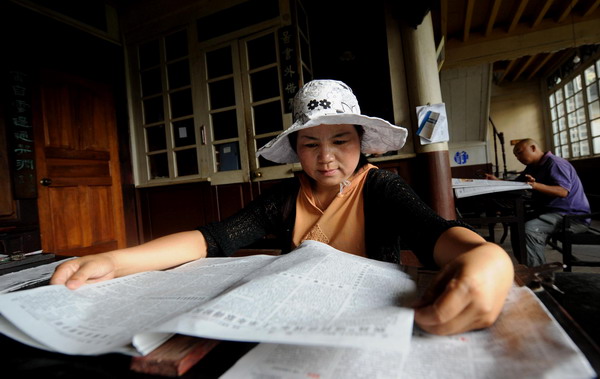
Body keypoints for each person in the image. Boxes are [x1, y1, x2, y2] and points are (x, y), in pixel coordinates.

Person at [51, 79, 514, 336]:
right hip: (295, 318)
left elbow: (437, 233)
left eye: (340, 141)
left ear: (361, 144)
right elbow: (212, 239)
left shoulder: (382, 190)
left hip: (367, 320)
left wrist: (489, 260)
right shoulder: (284, 199)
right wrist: (116, 259)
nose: (326, 156)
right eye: (310, 143)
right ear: (296, 150)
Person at [486, 138, 590, 267]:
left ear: (533, 148)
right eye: (515, 155)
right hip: (549, 212)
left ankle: (537, 275)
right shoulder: (532, 166)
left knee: (530, 230)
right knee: (516, 223)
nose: (518, 157)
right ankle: (526, 266)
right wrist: (496, 181)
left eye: (519, 152)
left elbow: (563, 191)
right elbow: (517, 184)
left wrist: (535, 185)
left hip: (571, 216)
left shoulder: (555, 163)